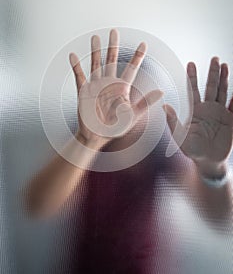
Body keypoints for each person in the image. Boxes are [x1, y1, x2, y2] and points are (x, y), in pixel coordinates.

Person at [25, 29, 233, 273]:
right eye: (117, 95)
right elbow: (37, 205)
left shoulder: (160, 149)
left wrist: (213, 168)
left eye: (137, 94)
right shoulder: (82, 144)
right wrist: (86, 141)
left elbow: (220, 216)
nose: (126, 106)